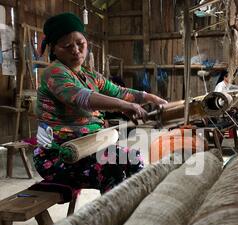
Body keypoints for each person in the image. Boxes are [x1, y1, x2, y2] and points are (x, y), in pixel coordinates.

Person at [33, 12, 167, 194]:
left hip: (90, 148)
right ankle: (113, 216)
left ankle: (134, 212)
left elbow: (119, 92)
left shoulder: (89, 75)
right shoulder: (54, 73)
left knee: (133, 159)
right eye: (67, 45)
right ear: (54, 49)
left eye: (80, 44)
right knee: (113, 168)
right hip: (61, 155)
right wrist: (123, 106)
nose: (76, 50)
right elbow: (81, 97)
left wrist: (150, 98)